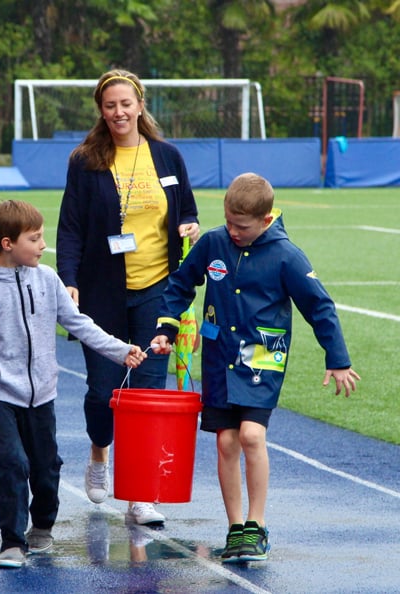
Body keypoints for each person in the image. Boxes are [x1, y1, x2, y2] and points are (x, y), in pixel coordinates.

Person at [150, 172, 360, 563]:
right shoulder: (213, 242)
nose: (232, 231)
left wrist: (338, 359)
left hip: (262, 358)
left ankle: (257, 525)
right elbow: (180, 285)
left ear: (265, 221)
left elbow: (320, 307)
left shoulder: (286, 255)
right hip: (218, 357)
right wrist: (166, 325)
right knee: (226, 441)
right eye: (228, 221)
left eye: (241, 226)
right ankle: (235, 529)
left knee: (250, 436)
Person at [0, 200, 148, 569]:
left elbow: (79, 323)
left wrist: (121, 351)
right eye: (35, 238)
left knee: (46, 467)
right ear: (7, 243)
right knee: (11, 462)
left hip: (42, 393)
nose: (43, 245)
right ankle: (11, 541)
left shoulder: (46, 279)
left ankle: (42, 525)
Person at [56, 69, 200, 524]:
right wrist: (69, 278)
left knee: (148, 393)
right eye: (109, 105)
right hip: (101, 295)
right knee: (103, 393)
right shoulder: (86, 161)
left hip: (158, 291)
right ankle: (100, 455)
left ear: (140, 105)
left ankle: (140, 495)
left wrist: (189, 227)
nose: (118, 112)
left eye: (125, 104)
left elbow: (189, 210)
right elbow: (71, 226)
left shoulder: (168, 156)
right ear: (101, 111)